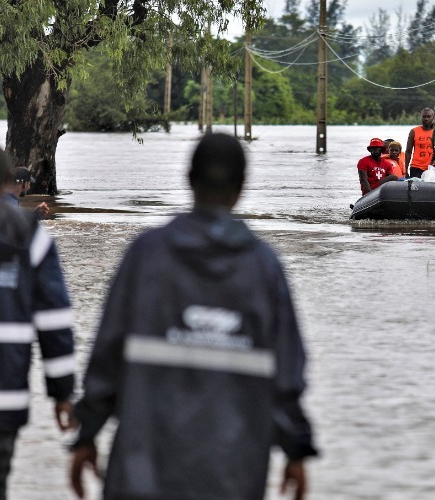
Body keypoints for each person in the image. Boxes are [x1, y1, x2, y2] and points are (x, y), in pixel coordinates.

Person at [69, 133, 318, 500]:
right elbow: (286, 374)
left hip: (143, 473)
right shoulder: (263, 268)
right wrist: (296, 449)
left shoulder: (146, 255)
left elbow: (107, 356)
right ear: (242, 187)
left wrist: (86, 434)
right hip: (233, 474)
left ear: (189, 179)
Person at [0, 143, 76, 499]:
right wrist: (62, 392)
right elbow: (54, 321)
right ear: (8, 181)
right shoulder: (30, 235)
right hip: (2, 393)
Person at [405, 108, 435, 178]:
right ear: (421, 117)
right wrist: (405, 170)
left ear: (433, 117)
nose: (426, 119)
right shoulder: (414, 131)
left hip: (432, 168)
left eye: (428, 116)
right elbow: (408, 151)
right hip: (416, 167)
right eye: (424, 116)